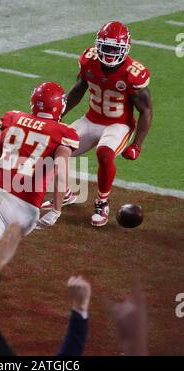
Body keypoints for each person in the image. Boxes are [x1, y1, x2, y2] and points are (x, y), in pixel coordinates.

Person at [0, 82, 79, 303]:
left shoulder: (13, 118)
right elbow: (61, 172)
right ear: (59, 107)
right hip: (28, 211)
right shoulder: (65, 133)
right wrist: (57, 209)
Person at [42, 21, 153, 227]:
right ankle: (66, 192)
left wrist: (137, 144)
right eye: (106, 47)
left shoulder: (133, 74)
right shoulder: (89, 60)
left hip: (118, 125)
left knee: (104, 153)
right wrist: (56, 116)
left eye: (114, 49)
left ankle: (102, 202)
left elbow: (146, 110)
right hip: (90, 119)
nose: (109, 53)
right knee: (55, 147)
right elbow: (77, 91)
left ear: (125, 48)